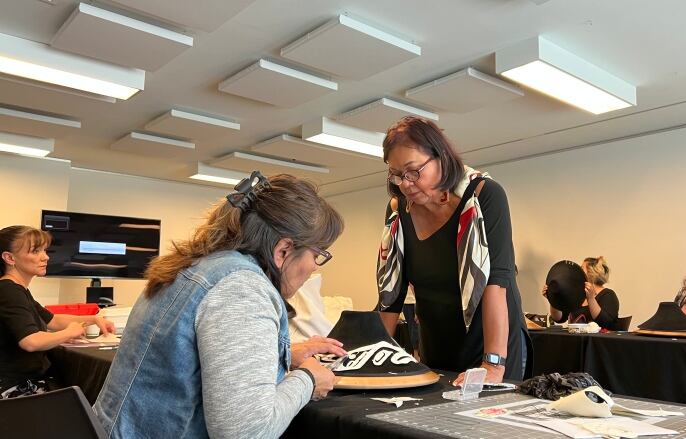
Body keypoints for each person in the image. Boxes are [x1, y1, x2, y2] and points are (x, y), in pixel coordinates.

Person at [94, 173, 347, 438]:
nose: (314, 268)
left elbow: (186, 358)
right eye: (318, 254)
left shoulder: (200, 267)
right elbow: (246, 433)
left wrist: (281, 354)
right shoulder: (243, 289)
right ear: (283, 250)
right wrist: (307, 380)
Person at [376, 116, 531, 385]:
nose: (405, 184)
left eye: (413, 171)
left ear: (441, 157)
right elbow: (391, 295)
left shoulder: (484, 196)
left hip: (492, 344)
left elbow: (497, 282)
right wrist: (372, 356)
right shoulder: (398, 211)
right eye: (397, 175)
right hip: (438, 344)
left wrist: (492, 364)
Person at [0, 225, 114, 398]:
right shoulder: (9, 291)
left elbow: (52, 320)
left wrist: (93, 318)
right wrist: (69, 332)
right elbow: (31, 341)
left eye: (44, 250)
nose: (45, 257)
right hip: (15, 389)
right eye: (35, 251)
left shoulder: (16, 290)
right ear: (9, 258)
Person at [543, 257, 620, 330]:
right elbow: (559, 319)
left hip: (598, 342)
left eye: (581, 268)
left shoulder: (608, 295)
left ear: (592, 273)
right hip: (575, 341)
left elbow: (605, 323)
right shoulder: (576, 294)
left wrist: (591, 299)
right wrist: (553, 299)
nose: (578, 271)